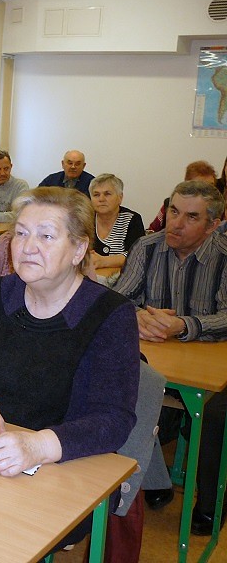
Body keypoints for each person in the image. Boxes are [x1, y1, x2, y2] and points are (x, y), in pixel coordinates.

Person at [0, 187, 140, 559]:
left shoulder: (110, 314)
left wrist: (36, 447)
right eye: (21, 233)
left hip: (64, 465)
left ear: (79, 249)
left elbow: (113, 419)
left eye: (46, 236)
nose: (28, 246)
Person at [114, 180, 227, 534]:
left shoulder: (224, 256)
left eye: (191, 217)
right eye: (174, 211)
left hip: (211, 364)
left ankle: (211, 503)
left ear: (212, 224)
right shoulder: (147, 247)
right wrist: (137, 316)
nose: (176, 224)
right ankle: (152, 479)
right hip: (155, 358)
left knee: (215, 415)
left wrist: (184, 324)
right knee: (120, 386)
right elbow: (118, 300)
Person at [89, 173, 145, 270]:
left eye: (107, 194)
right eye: (96, 195)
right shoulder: (86, 218)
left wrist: (103, 261)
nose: (101, 199)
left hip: (123, 276)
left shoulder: (132, 219)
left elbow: (138, 254)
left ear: (120, 197)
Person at [147, 160, 217, 232]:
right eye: (200, 185)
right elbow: (152, 230)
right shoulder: (170, 204)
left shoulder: (217, 210)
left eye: (210, 186)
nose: (206, 191)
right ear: (187, 184)